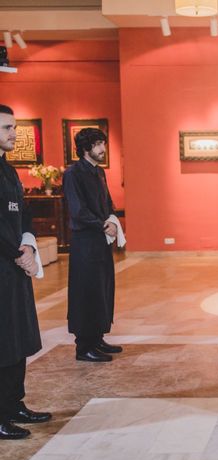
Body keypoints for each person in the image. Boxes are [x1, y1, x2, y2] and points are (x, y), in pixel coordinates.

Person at [0, 104, 52, 440]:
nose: (13, 134)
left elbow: (24, 215)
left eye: (14, 128)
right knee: (3, 341)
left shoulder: (10, 171)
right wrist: (16, 253)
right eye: (6, 128)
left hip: (16, 265)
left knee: (17, 338)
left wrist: (30, 246)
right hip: (4, 265)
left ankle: (14, 404)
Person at [63, 128, 125, 363]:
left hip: (100, 241)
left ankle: (97, 338)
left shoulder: (99, 173)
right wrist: (101, 225)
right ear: (86, 147)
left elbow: (107, 202)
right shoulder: (73, 174)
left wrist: (111, 219)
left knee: (102, 289)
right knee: (85, 292)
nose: (103, 148)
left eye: (103, 143)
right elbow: (78, 211)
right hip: (85, 243)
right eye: (98, 144)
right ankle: (84, 347)